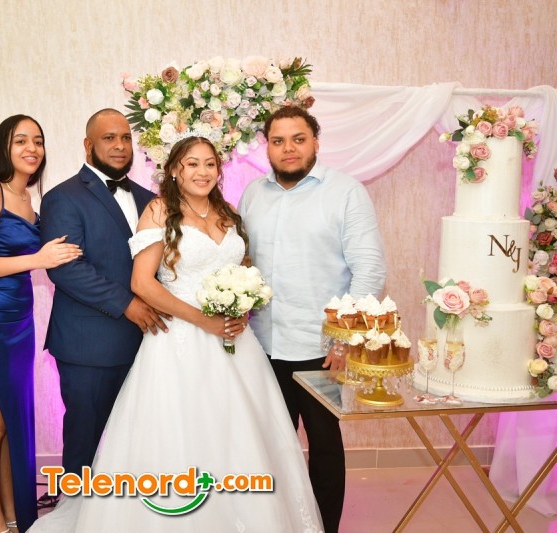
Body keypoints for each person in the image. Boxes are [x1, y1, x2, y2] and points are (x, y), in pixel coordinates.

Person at [28, 135, 323, 532]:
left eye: (210, 164)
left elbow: (242, 268)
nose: (203, 172)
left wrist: (242, 304)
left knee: (240, 433)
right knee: (182, 433)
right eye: (192, 164)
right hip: (180, 340)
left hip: (236, 344)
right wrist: (203, 321)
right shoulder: (159, 211)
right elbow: (142, 283)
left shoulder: (228, 212)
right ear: (173, 171)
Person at [239, 105, 387, 533]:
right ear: (267, 147)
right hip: (261, 345)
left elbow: (370, 271)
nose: (288, 148)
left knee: (323, 446)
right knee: (270, 447)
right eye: (278, 141)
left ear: (316, 142)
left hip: (321, 349)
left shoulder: (345, 192)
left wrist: (345, 338)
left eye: (298, 139)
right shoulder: (252, 194)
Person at [0, 115, 82, 533]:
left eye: (38, 141)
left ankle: (12, 514)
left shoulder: (28, 198)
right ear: (3, 148)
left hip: (20, 321)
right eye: (20, 140)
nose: (32, 148)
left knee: (10, 421)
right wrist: (37, 259)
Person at [39, 108, 167, 501]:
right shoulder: (63, 197)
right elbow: (67, 268)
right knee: (85, 437)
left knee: (140, 437)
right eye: (109, 138)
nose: (119, 145)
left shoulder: (149, 200)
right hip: (88, 344)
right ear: (88, 145)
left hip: (146, 343)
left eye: (126, 137)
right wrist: (128, 304)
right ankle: (74, 510)